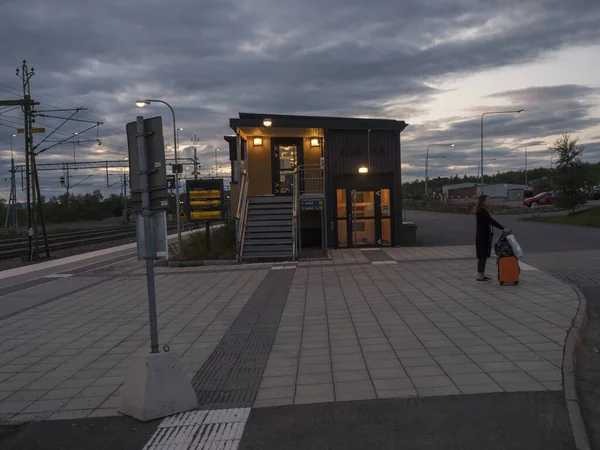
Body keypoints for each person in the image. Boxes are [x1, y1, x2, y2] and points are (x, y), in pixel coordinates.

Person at [475, 195, 511, 281]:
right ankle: (479, 275)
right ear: (483, 201)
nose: (490, 201)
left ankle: (482, 274)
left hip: (486, 235)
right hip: (482, 236)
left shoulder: (484, 210)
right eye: (488, 200)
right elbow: (491, 221)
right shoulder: (481, 211)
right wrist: (503, 228)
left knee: (484, 255)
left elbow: (490, 221)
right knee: (482, 255)